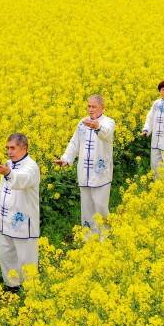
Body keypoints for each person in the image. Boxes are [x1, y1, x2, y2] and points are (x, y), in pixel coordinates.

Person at [0, 133, 40, 291]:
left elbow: (22, 180)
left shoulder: (31, 167)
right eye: (7, 148)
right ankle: (12, 287)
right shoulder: (8, 164)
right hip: (5, 218)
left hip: (23, 221)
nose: (9, 151)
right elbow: (2, 188)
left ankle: (31, 289)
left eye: (13, 148)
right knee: (6, 255)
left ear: (24, 148)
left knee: (26, 258)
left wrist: (8, 173)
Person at [55, 95, 115, 235]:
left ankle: (105, 235)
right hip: (84, 173)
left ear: (102, 108)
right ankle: (89, 238)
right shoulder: (82, 122)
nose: (91, 109)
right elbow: (75, 143)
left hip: (101, 174)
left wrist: (97, 127)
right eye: (89, 106)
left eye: (94, 106)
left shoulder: (108, 122)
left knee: (100, 206)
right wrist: (66, 159)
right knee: (87, 208)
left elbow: (106, 133)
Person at [141, 80, 164, 181]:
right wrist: (146, 130)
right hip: (156, 140)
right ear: (159, 91)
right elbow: (150, 117)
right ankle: (156, 185)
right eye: (162, 89)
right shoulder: (156, 103)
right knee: (154, 163)